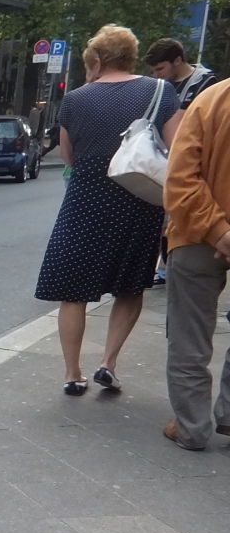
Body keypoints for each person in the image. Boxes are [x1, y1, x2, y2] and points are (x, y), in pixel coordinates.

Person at [34, 24, 179, 396]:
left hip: (84, 204)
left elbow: (68, 158)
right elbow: (174, 153)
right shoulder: (161, 91)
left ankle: (71, 373)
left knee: (74, 294)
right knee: (130, 288)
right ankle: (108, 363)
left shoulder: (76, 100)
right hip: (138, 204)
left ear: (96, 61)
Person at [160, 79, 230, 450]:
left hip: (196, 238)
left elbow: (180, 179)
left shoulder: (211, 100)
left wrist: (218, 231)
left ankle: (192, 427)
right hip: (206, 235)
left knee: (189, 337)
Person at [143, 39, 219, 286]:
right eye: (153, 71)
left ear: (178, 61)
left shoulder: (207, 84)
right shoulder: (158, 87)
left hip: (190, 162)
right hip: (159, 159)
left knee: (176, 213)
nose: (157, 75)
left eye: (160, 69)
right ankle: (162, 265)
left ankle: (167, 266)